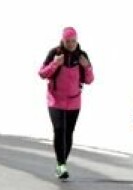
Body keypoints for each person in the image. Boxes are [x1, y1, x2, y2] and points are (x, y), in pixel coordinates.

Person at [38, 26, 94, 181]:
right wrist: (55, 64)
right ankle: (61, 165)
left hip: (74, 101)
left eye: (73, 41)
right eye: (68, 41)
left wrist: (87, 67)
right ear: (62, 40)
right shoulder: (54, 53)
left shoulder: (82, 55)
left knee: (68, 133)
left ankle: (62, 165)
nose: (71, 44)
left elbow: (89, 80)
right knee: (59, 130)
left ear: (77, 40)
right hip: (55, 100)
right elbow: (42, 74)